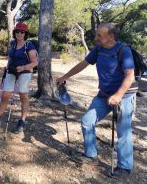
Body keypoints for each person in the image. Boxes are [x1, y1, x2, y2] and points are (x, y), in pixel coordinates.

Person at [56, 23, 136, 178]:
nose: (96, 37)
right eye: (96, 34)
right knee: (87, 120)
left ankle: (124, 167)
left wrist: (119, 94)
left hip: (124, 96)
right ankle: (90, 155)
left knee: (123, 130)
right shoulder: (98, 49)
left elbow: (130, 75)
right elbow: (83, 64)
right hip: (104, 94)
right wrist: (65, 77)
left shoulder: (123, 50)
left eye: (100, 35)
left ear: (111, 36)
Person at [0, 22, 38, 133]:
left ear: (25, 33)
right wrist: (7, 66)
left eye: (22, 32)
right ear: (14, 32)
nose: (19, 33)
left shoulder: (29, 45)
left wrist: (24, 67)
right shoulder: (12, 44)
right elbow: (10, 58)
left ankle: (22, 121)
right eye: (17, 31)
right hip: (11, 71)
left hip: (24, 72)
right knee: (5, 94)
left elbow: (35, 62)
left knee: (23, 95)